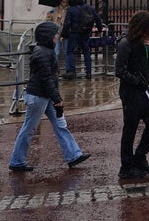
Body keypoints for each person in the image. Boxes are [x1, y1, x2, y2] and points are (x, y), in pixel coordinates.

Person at [9, 21, 91, 171]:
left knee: (60, 125)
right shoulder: (43, 53)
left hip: (45, 96)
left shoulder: (45, 51)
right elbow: (46, 79)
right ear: (48, 36)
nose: (57, 36)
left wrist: (55, 97)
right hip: (38, 96)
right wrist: (57, 99)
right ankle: (17, 161)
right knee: (29, 129)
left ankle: (73, 155)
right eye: (55, 34)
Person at [115, 11, 149, 179]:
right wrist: (137, 81)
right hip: (130, 91)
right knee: (130, 128)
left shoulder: (144, 41)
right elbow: (120, 70)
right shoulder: (125, 43)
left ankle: (140, 157)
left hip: (143, 89)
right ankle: (126, 167)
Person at [61, 2, 104, 79]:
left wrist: (63, 35)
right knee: (86, 52)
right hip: (86, 33)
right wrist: (100, 30)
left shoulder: (71, 9)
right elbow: (98, 19)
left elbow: (67, 23)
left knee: (70, 51)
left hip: (74, 33)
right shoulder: (90, 8)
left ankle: (71, 72)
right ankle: (89, 72)